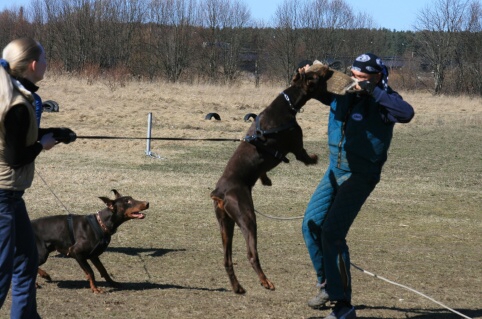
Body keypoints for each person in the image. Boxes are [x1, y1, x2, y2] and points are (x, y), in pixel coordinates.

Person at [301, 53, 414, 319]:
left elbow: (406, 113)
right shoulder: (341, 91)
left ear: (376, 77)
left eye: (363, 78)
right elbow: (313, 90)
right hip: (335, 169)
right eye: (354, 75)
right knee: (311, 224)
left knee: (332, 233)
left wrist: (372, 91)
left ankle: (344, 306)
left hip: (362, 174)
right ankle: (328, 284)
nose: (356, 81)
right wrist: (308, 74)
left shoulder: (386, 102)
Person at [0, 37, 76, 319]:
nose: (46, 64)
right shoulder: (17, 103)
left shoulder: (12, 94)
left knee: (26, 262)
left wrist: (57, 133)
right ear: (33, 65)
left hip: (11, 196)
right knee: (2, 270)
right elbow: (15, 157)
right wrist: (42, 146)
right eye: (44, 59)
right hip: (2, 196)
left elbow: (21, 135)